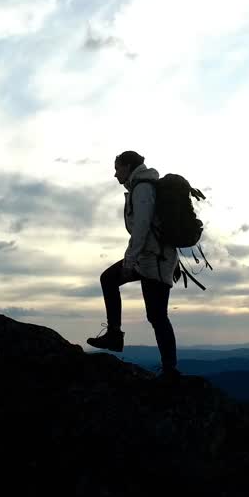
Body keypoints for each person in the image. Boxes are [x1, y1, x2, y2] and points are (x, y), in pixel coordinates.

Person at [86, 150, 180, 378]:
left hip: (153, 259)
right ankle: (115, 335)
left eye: (117, 167)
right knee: (109, 279)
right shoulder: (142, 186)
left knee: (157, 316)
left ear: (128, 166)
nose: (115, 174)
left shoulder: (143, 189)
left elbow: (142, 226)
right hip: (151, 257)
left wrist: (130, 260)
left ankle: (170, 369)